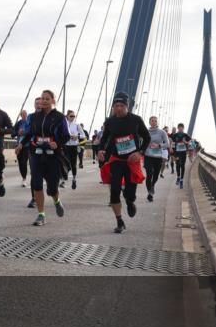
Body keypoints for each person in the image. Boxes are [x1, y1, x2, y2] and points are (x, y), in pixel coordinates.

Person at [96, 92, 150, 233]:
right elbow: (104, 139)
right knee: (114, 191)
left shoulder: (136, 120)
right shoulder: (110, 121)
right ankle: (119, 221)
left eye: (121, 106)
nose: (118, 108)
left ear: (127, 107)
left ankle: (130, 201)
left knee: (130, 194)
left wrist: (140, 152)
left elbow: (147, 137)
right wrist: (101, 150)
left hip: (132, 161)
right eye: (116, 106)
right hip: (116, 160)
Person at [16, 90, 68, 226]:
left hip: (53, 156)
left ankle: (56, 201)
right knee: (37, 184)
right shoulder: (33, 117)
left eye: (47, 99)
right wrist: (21, 144)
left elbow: (66, 136)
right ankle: (41, 214)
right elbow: (29, 134)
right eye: (42, 99)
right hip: (36, 153)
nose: (43, 101)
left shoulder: (60, 117)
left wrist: (57, 144)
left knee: (52, 188)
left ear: (53, 100)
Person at [143, 116, 169, 202]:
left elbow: (167, 144)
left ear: (157, 122)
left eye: (155, 121)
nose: (154, 122)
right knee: (149, 174)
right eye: (152, 121)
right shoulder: (145, 131)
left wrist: (159, 145)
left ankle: (152, 185)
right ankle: (150, 193)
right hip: (148, 156)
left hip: (157, 157)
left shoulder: (162, 132)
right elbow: (141, 141)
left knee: (155, 175)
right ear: (149, 122)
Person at [65, 110, 85, 189]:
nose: (73, 117)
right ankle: (63, 179)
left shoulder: (77, 125)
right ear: (67, 116)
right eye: (71, 116)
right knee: (65, 162)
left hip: (74, 146)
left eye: (74, 116)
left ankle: (74, 179)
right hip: (65, 145)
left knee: (73, 164)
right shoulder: (64, 124)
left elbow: (83, 135)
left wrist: (77, 136)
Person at [12, 108, 31, 188]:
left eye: (25, 114)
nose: (24, 116)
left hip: (27, 145)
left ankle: (24, 179)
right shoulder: (18, 123)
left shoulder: (29, 123)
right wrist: (17, 133)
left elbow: (32, 133)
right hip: (18, 146)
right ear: (20, 116)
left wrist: (25, 132)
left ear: (27, 115)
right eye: (22, 115)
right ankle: (23, 177)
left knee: (24, 162)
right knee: (20, 163)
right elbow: (12, 134)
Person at [171, 124, 193, 189]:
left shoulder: (185, 135)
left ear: (183, 128)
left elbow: (190, 142)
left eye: (181, 128)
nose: (180, 129)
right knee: (178, 165)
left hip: (183, 152)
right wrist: (172, 150)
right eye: (179, 128)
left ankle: (181, 180)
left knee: (182, 165)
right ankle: (178, 176)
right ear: (178, 128)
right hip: (177, 153)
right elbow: (173, 143)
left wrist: (185, 142)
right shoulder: (175, 135)